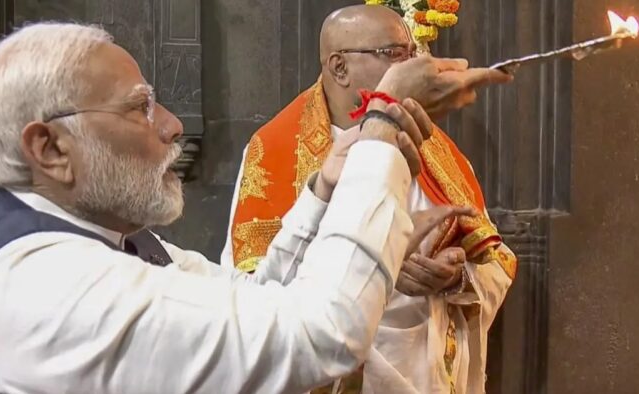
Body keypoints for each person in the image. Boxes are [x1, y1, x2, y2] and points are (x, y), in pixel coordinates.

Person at [0, 22, 469, 394]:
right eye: (139, 107)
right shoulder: (41, 281)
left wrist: (323, 193)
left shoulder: (113, 241)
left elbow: (262, 299)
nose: (170, 125)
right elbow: (320, 336)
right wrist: (383, 126)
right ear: (50, 149)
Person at [221, 5, 518, 394]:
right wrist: (386, 274)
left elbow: (497, 260)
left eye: (412, 52)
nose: (417, 66)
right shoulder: (276, 152)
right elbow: (254, 293)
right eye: (395, 54)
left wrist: (457, 277)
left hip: (429, 375)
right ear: (339, 67)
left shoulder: (439, 151)